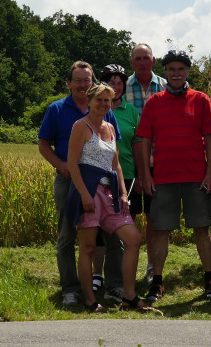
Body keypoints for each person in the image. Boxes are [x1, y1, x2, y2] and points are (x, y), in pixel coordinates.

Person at [136, 49, 211, 303]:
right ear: (165, 72)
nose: (176, 73)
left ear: (187, 72)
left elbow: (210, 140)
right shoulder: (154, 101)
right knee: (160, 230)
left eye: (181, 69)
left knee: (201, 229)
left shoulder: (201, 100)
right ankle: (158, 283)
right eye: (171, 69)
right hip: (162, 177)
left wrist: (210, 173)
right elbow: (144, 140)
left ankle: (210, 279)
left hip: (196, 176)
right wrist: (146, 176)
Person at [37, 61, 122, 306]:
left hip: (103, 183)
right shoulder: (57, 109)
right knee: (66, 236)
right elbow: (44, 144)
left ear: (93, 82)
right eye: (78, 80)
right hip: (68, 181)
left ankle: (114, 286)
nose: (83, 85)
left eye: (87, 80)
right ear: (69, 83)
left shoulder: (106, 109)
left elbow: (114, 147)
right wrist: (60, 165)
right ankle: (70, 288)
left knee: (112, 234)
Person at [64, 84, 148, 312]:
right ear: (89, 101)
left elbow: (116, 164)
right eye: (99, 100)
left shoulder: (111, 126)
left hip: (110, 192)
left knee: (133, 239)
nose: (103, 104)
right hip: (88, 191)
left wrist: (122, 193)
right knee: (88, 247)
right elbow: (72, 163)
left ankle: (129, 296)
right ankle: (91, 301)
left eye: (107, 101)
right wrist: (84, 195)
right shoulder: (80, 126)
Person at [90, 64, 141, 290]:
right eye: (112, 82)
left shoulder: (131, 112)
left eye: (120, 83)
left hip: (125, 175)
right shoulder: (96, 110)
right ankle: (97, 275)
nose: (116, 87)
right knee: (97, 231)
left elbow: (137, 144)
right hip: (99, 177)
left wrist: (141, 174)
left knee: (121, 230)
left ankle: (118, 279)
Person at [123, 43, 167, 283]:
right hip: (128, 164)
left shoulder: (166, 86)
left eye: (146, 58)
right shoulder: (119, 87)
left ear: (153, 60)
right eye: (137, 58)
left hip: (159, 162)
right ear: (131, 63)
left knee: (154, 218)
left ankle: (152, 268)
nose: (142, 62)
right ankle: (124, 269)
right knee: (125, 217)